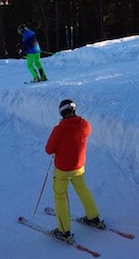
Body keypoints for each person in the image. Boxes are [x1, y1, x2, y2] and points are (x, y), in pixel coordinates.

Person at [45, 99, 103, 241]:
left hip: (63, 170)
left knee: (60, 197)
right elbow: (83, 132)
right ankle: (93, 217)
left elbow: (49, 149)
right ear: (74, 110)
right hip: (79, 168)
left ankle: (64, 231)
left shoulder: (59, 129)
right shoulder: (84, 124)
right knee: (82, 189)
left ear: (62, 113)